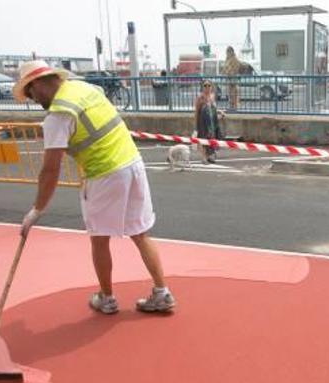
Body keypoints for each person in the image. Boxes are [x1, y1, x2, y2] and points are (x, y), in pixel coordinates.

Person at [14, 60, 175, 314]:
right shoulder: (84, 89)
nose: (32, 99)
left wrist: (37, 210)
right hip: (132, 163)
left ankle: (107, 298)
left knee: (99, 239)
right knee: (141, 233)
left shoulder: (58, 115)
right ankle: (161, 292)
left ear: (37, 84)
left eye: (30, 92)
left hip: (103, 174)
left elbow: (50, 169)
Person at [194, 79, 223, 164]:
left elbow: (213, 108)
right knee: (203, 138)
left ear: (211, 87)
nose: (207, 87)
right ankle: (204, 157)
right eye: (205, 85)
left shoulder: (212, 96)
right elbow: (196, 112)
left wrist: (220, 112)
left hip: (212, 122)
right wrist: (196, 125)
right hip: (203, 122)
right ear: (202, 87)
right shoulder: (200, 97)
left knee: (212, 138)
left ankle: (209, 156)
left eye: (209, 85)